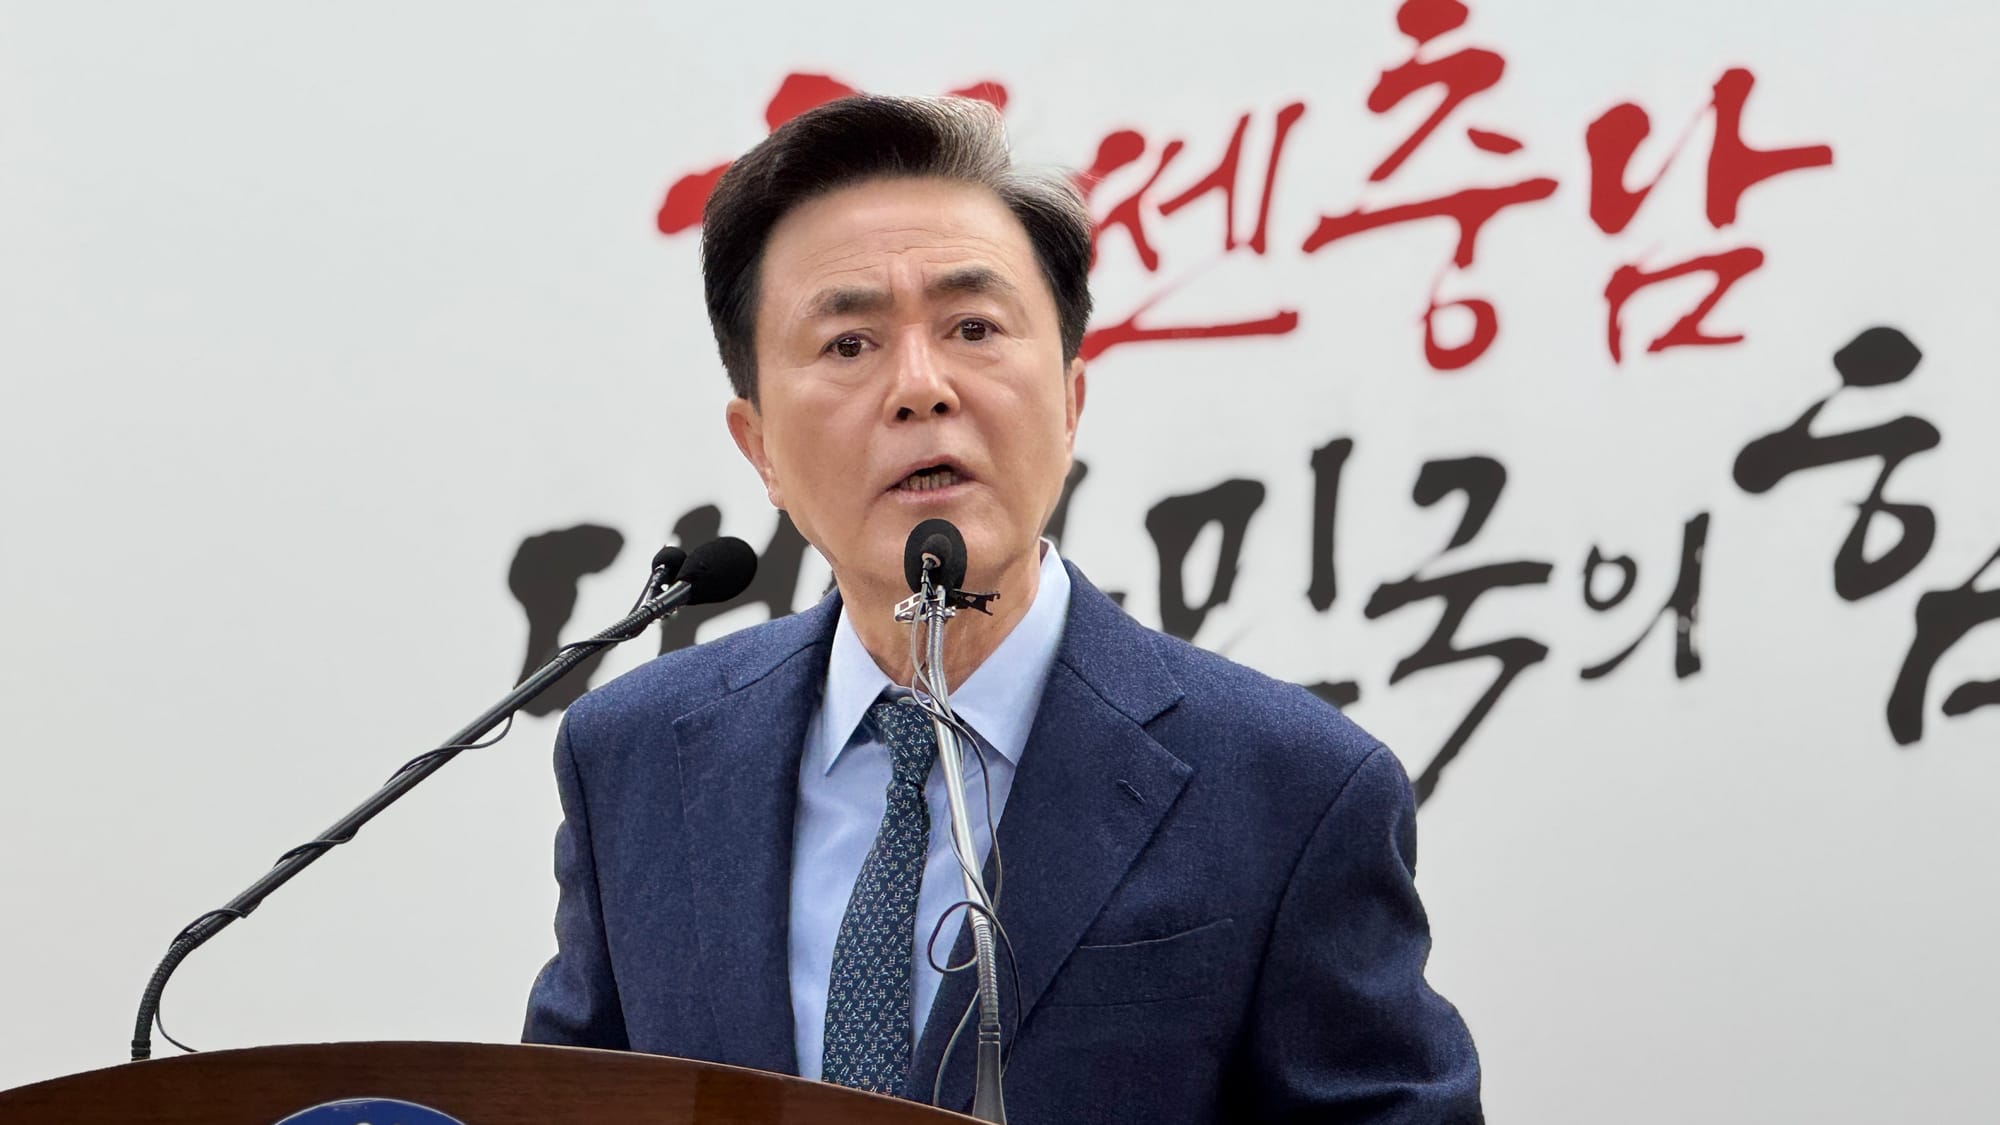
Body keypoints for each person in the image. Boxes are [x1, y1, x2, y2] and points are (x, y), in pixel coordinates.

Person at [524, 94, 1483, 1124]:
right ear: (758, 446)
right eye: (847, 344)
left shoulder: (1289, 788)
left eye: (973, 328)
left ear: (1070, 401)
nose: (920, 387)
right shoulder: (632, 760)